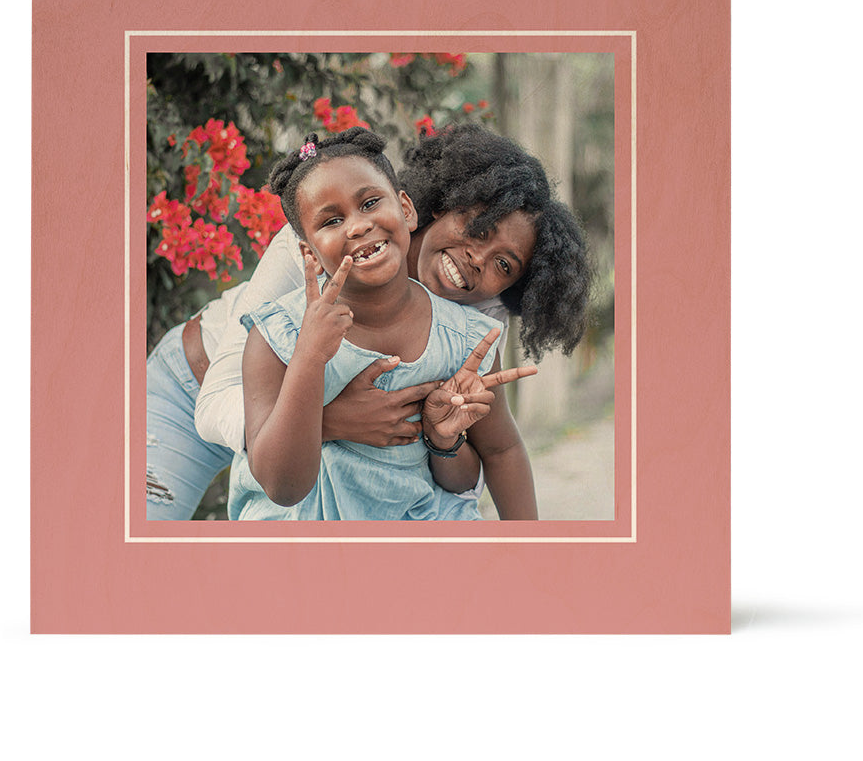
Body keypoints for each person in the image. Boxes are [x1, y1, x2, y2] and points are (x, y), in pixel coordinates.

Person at [147, 121, 591, 519]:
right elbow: (219, 404)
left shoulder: (473, 326)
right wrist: (329, 421)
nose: (477, 258)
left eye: (504, 266)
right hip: (195, 387)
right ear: (435, 206)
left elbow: (468, 471)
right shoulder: (319, 245)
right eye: (476, 229)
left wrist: (443, 440)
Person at [229, 128, 538, 520]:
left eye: (370, 202)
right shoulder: (278, 335)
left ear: (406, 209)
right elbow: (283, 487)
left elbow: (496, 454)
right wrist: (309, 355)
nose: (357, 226)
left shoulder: (465, 340)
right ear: (307, 251)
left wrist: (442, 438)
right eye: (332, 220)